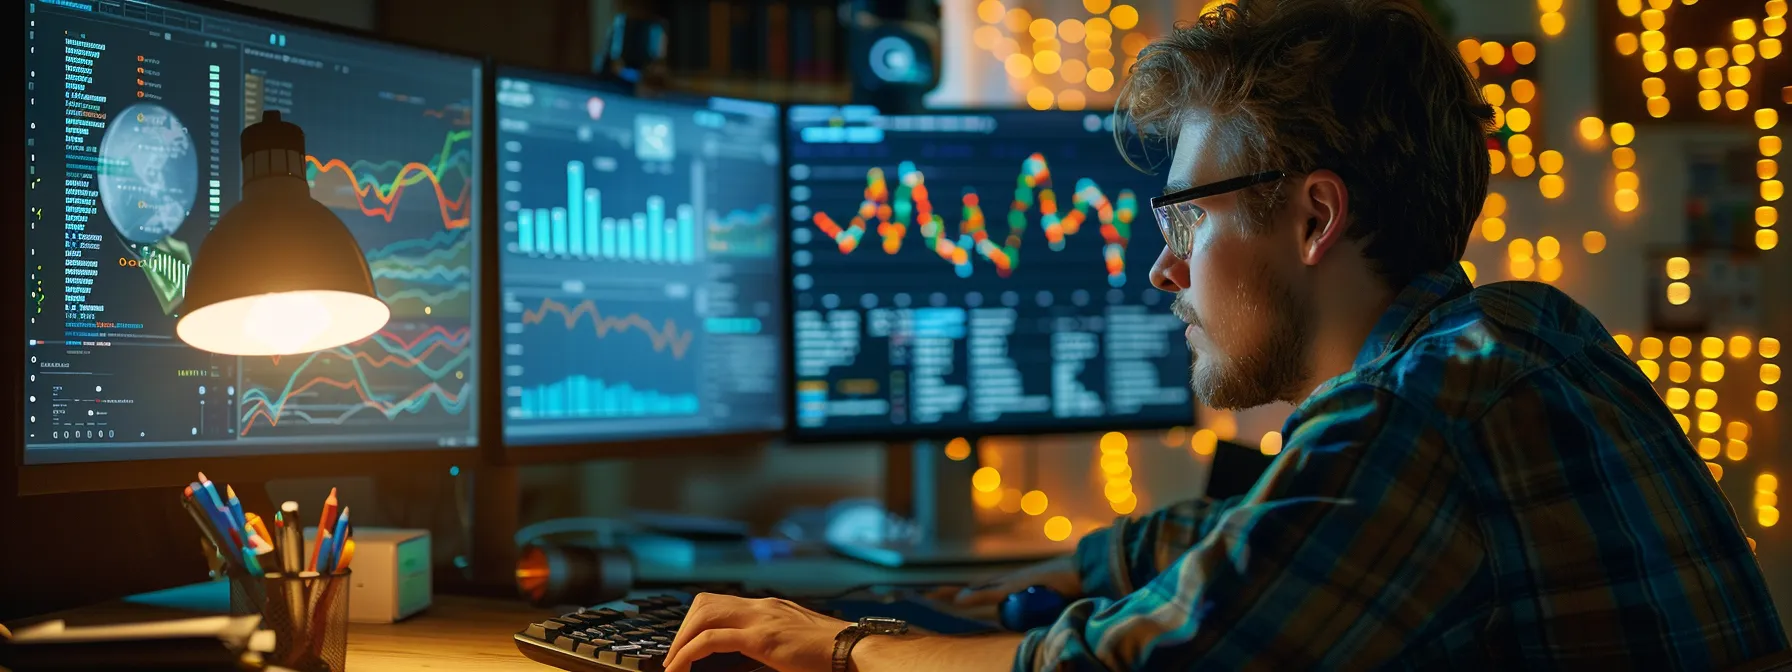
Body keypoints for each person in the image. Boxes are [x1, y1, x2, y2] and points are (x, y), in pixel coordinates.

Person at [666, 0, 1788, 669]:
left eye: (1186, 218)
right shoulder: (1516, 333)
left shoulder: (1419, 405)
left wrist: (846, 647)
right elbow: (1260, 530)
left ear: (1313, 216)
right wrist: (1067, 569)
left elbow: (1173, 661)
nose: (1161, 267)